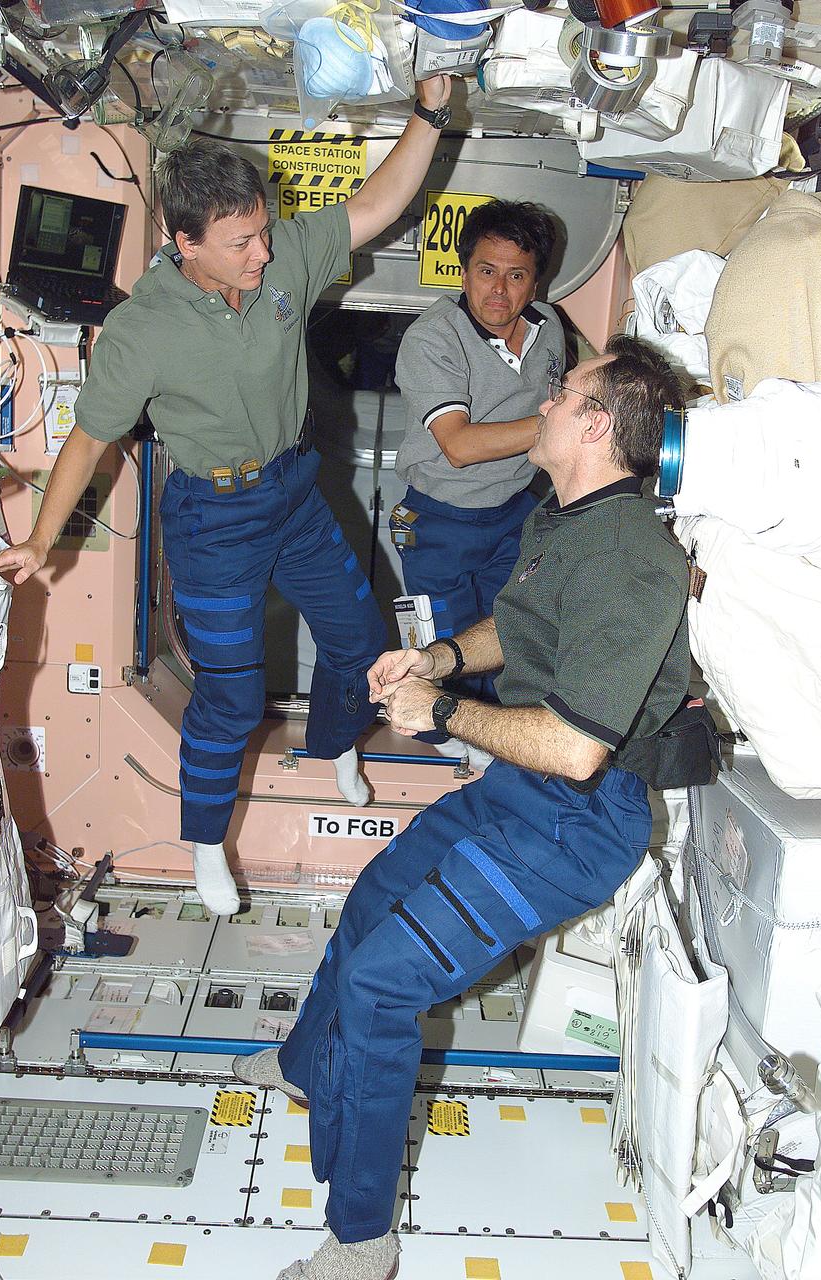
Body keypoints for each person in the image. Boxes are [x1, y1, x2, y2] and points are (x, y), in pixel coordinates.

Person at [233, 335, 689, 1280]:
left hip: (570, 825)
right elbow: (517, 626)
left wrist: (439, 712)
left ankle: (362, 1240)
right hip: (520, 795)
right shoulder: (566, 518)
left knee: (382, 986)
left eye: (563, 393)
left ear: (596, 425)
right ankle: (306, 1070)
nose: (546, 403)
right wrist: (436, 659)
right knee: (369, 901)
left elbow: (573, 749)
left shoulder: (631, 560)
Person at [0, 77, 453, 918]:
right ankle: (206, 844)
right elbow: (88, 439)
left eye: (264, 233)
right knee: (232, 697)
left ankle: (336, 747)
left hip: (293, 493)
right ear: (183, 242)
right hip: (212, 521)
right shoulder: (143, 331)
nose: (263, 254)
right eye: (240, 242)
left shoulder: (280, 262)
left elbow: (380, 202)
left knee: (360, 641)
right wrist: (39, 538)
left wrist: (427, 113)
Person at [391, 199, 566, 766]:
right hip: (439, 521)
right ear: (464, 270)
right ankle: (448, 754)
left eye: (516, 275)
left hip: (515, 511)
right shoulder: (432, 339)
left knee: (513, 640)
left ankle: (500, 753)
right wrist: (558, 427)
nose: (499, 290)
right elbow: (460, 445)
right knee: (440, 650)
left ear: (535, 281)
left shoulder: (551, 327)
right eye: (486, 271)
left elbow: (568, 395)